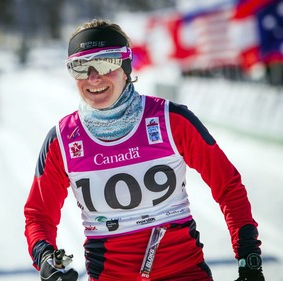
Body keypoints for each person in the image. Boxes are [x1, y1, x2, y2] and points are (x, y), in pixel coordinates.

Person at [24, 19, 265, 281]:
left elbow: (228, 186)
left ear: (126, 66)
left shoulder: (171, 120)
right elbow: (38, 215)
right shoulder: (63, 140)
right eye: (80, 67)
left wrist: (249, 259)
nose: (93, 77)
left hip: (184, 273)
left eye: (106, 62)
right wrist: (46, 257)